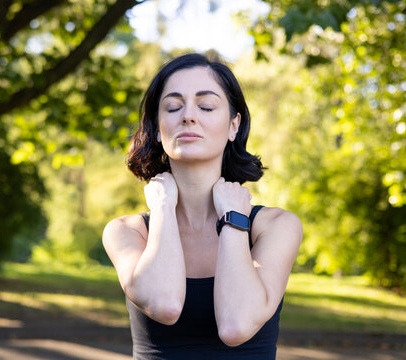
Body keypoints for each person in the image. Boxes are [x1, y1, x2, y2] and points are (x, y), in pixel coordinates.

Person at [102, 53, 302, 359]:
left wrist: (233, 218)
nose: (188, 116)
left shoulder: (276, 226)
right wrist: (164, 207)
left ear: (234, 125)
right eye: (173, 106)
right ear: (157, 127)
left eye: (206, 106)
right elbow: (166, 304)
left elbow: (236, 326)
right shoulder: (125, 232)